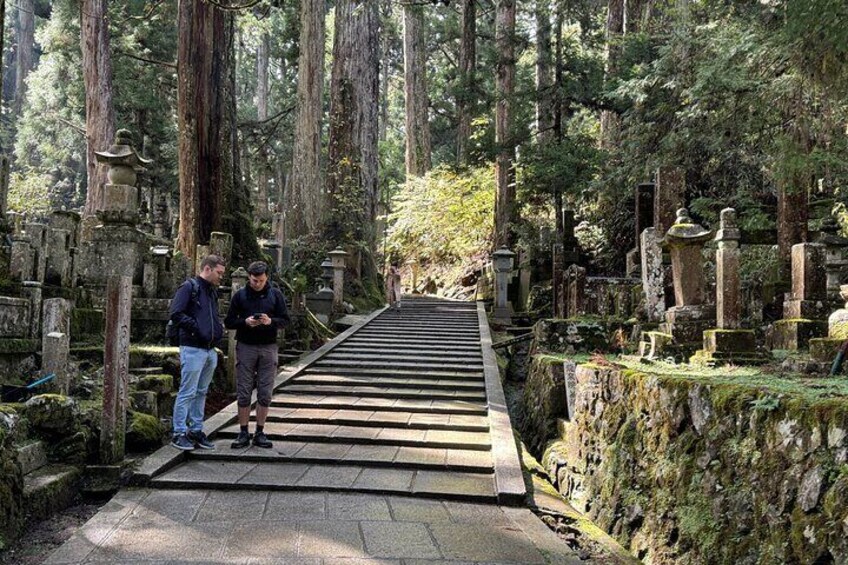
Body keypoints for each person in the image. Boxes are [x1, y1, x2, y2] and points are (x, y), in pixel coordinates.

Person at [224, 261, 290, 449]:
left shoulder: (275, 295)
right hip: (246, 346)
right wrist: (245, 322)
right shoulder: (240, 296)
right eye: (254, 280)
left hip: (268, 346)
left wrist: (270, 321)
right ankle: (243, 431)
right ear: (249, 278)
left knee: (265, 391)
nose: (257, 284)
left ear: (266, 277)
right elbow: (229, 321)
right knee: (244, 390)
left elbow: (285, 320)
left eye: (260, 280)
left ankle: (260, 431)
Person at [169, 254, 227, 451]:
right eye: (219, 273)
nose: (221, 277)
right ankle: (178, 432)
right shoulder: (189, 288)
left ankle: (196, 428)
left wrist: (217, 330)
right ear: (208, 269)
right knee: (187, 390)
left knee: (201, 391)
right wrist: (196, 328)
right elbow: (176, 313)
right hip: (193, 347)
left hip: (210, 349)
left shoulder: (211, 292)